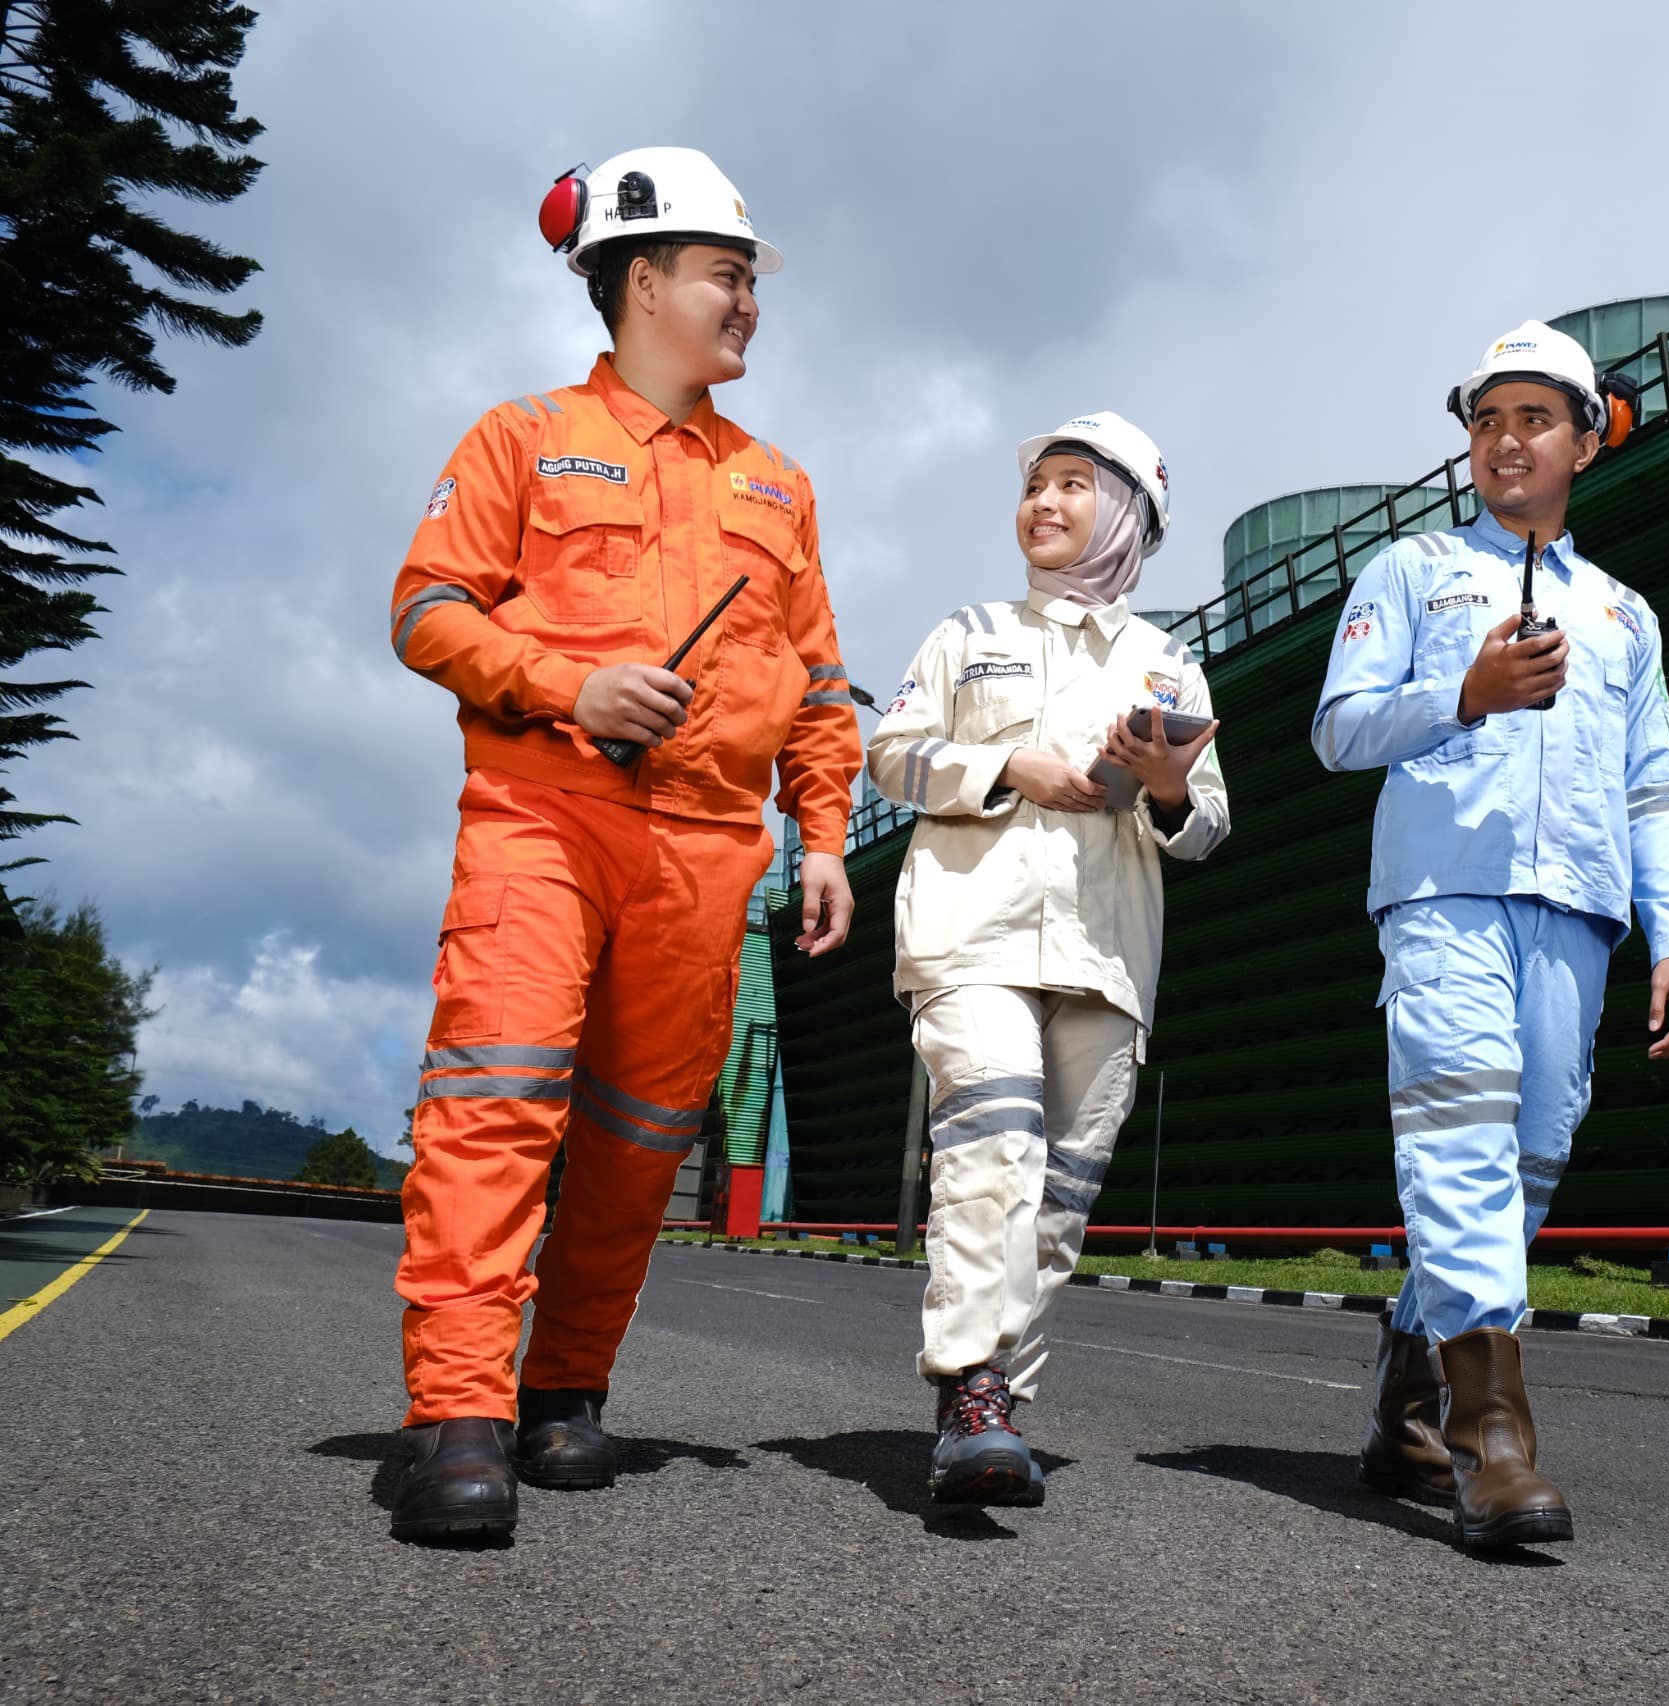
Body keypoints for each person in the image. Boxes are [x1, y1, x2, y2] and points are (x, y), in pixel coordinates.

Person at [384, 148, 861, 1543]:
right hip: (544, 813)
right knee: (496, 1099)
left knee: (641, 1138)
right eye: (727, 273)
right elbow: (426, 610)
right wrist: (568, 685)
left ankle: (564, 1389)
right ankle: (456, 1416)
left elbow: (819, 685)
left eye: (753, 279)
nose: (749, 301)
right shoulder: (521, 436)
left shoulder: (779, 486)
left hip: (709, 849)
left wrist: (822, 835)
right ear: (643, 280)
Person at [1310, 321, 1669, 1549]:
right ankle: (1492, 1442)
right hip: (1444, 897)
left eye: (1534, 418)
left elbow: (1655, 782)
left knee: (1528, 1161)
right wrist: (1464, 695)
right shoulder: (1411, 569)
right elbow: (1339, 728)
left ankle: (1406, 1392)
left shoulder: (1624, 615)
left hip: (1577, 913)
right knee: (1460, 1141)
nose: (1503, 440)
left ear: (1584, 443)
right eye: (1486, 420)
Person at [868, 412, 1230, 1506]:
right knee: (993, 1152)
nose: (1045, 502)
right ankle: (970, 1386)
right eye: (1037, 485)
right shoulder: (967, 631)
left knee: (1058, 1198)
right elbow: (889, 756)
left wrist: (1164, 786)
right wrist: (1004, 766)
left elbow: (1207, 826)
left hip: (1105, 958)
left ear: (1126, 515)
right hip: (970, 935)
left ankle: (993, 1410)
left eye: (1074, 484)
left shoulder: (1168, 665)